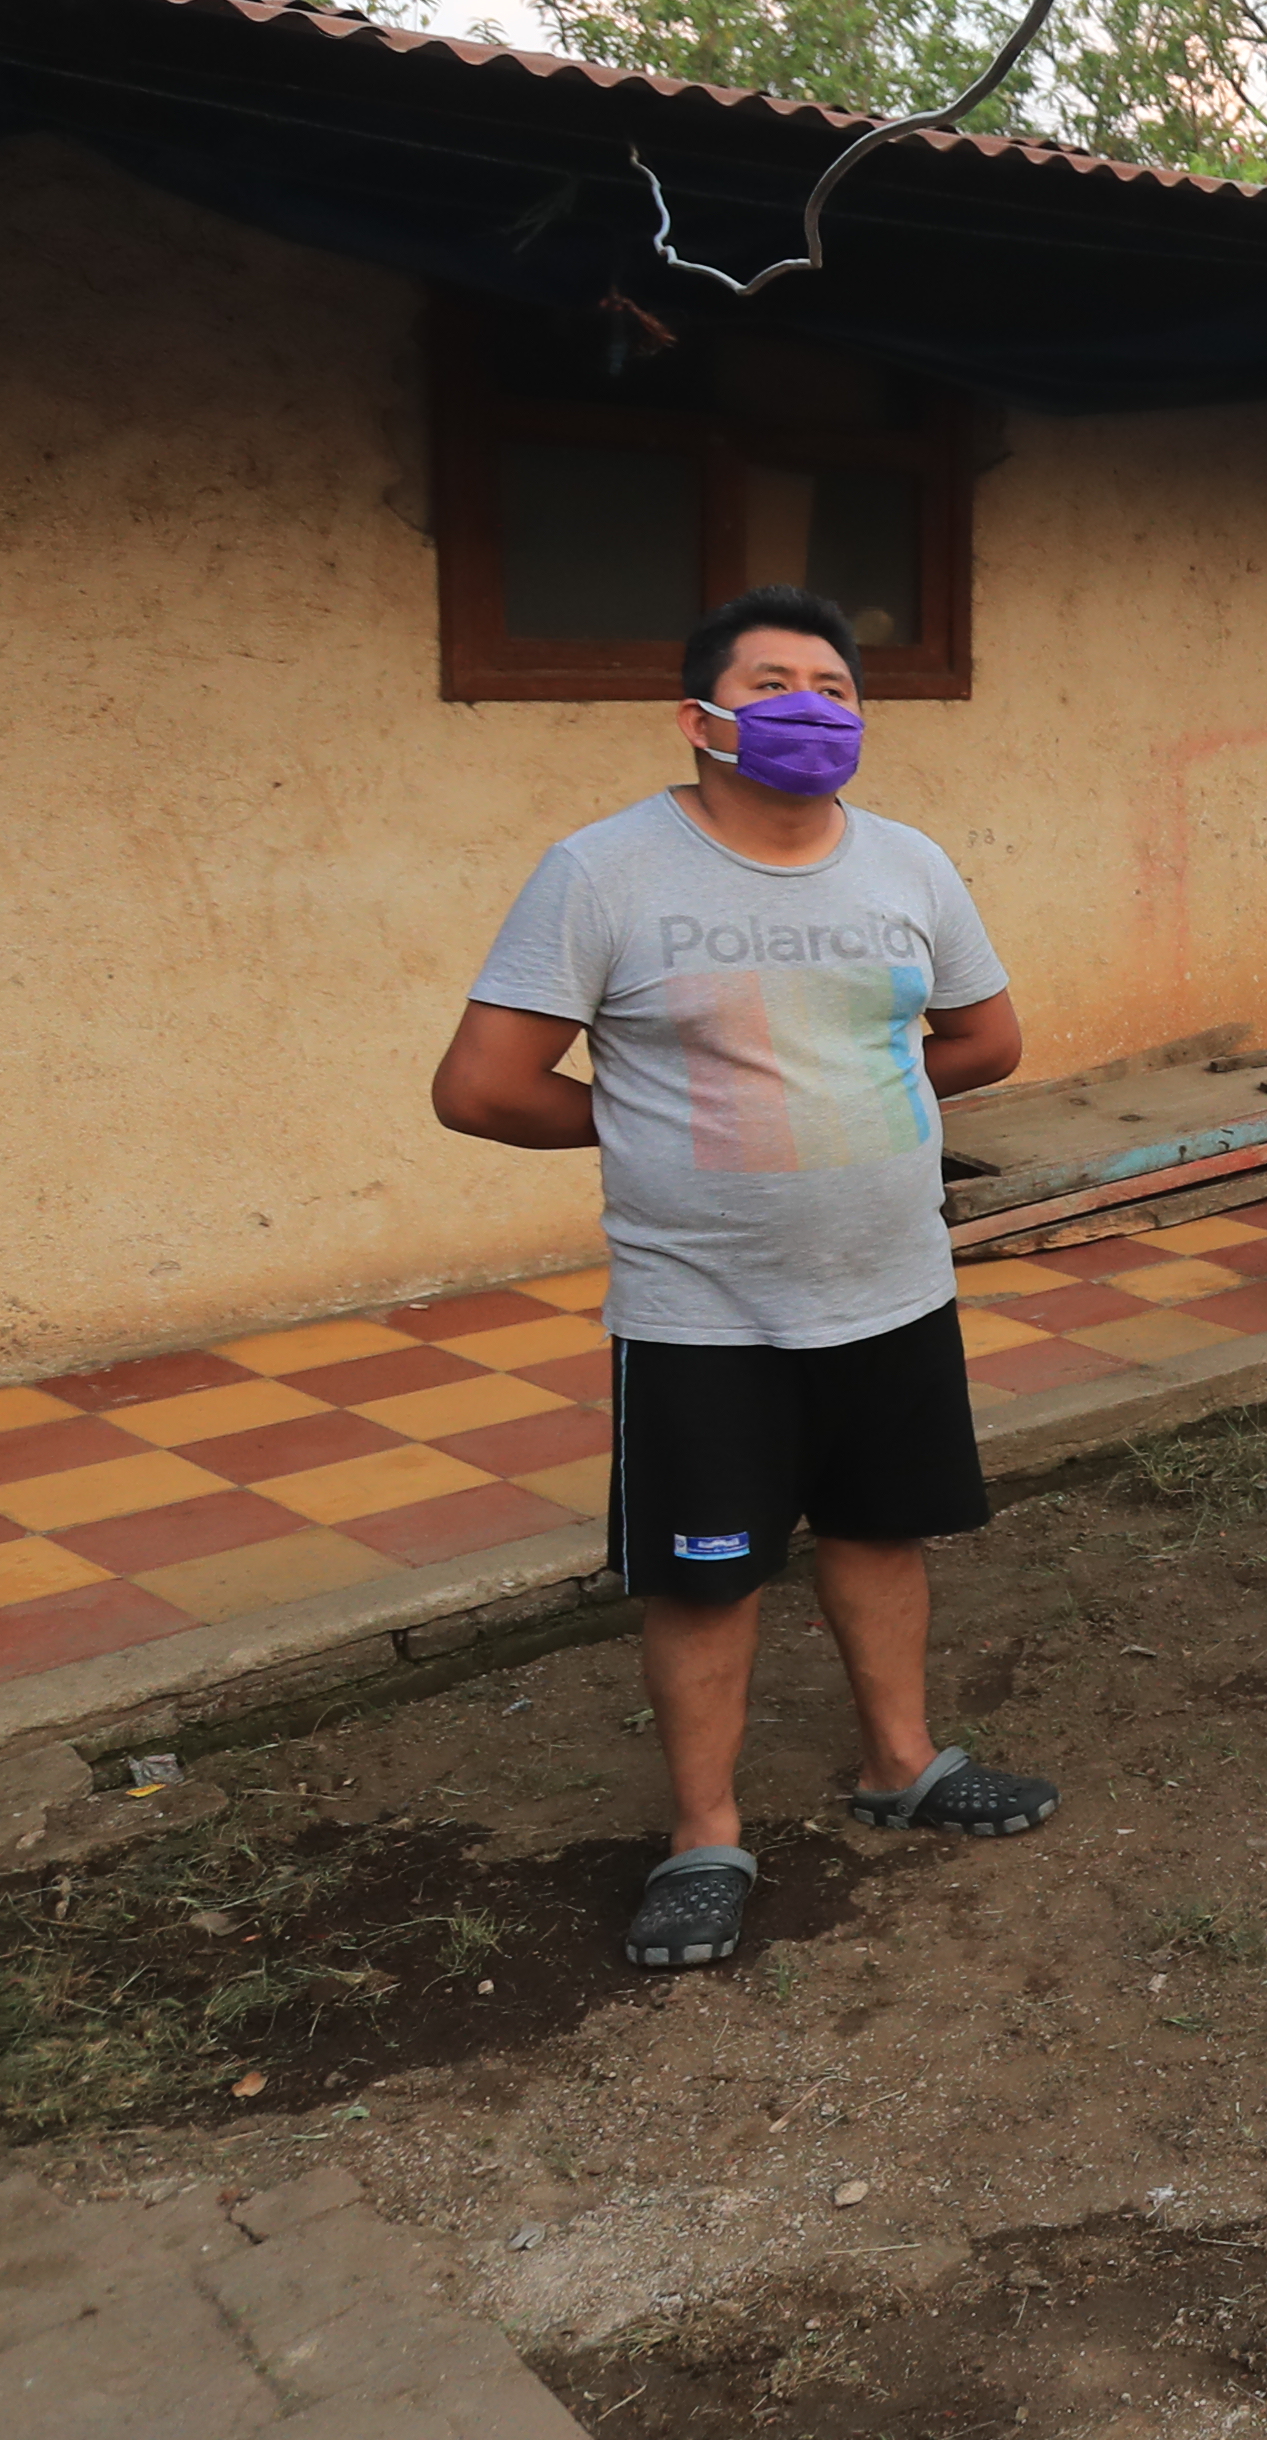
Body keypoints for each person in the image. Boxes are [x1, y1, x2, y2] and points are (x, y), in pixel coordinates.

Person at [433, 587, 1061, 1972]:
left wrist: (843, 1102)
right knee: (708, 1578)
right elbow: (481, 1087)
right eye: (774, 683)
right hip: (701, 1309)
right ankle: (704, 1837)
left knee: (881, 1532)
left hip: (891, 1284)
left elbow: (987, 1039)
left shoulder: (908, 866)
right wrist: (652, 1118)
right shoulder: (604, 873)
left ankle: (904, 1763)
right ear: (699, 717)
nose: (810, 708)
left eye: (835, 688)